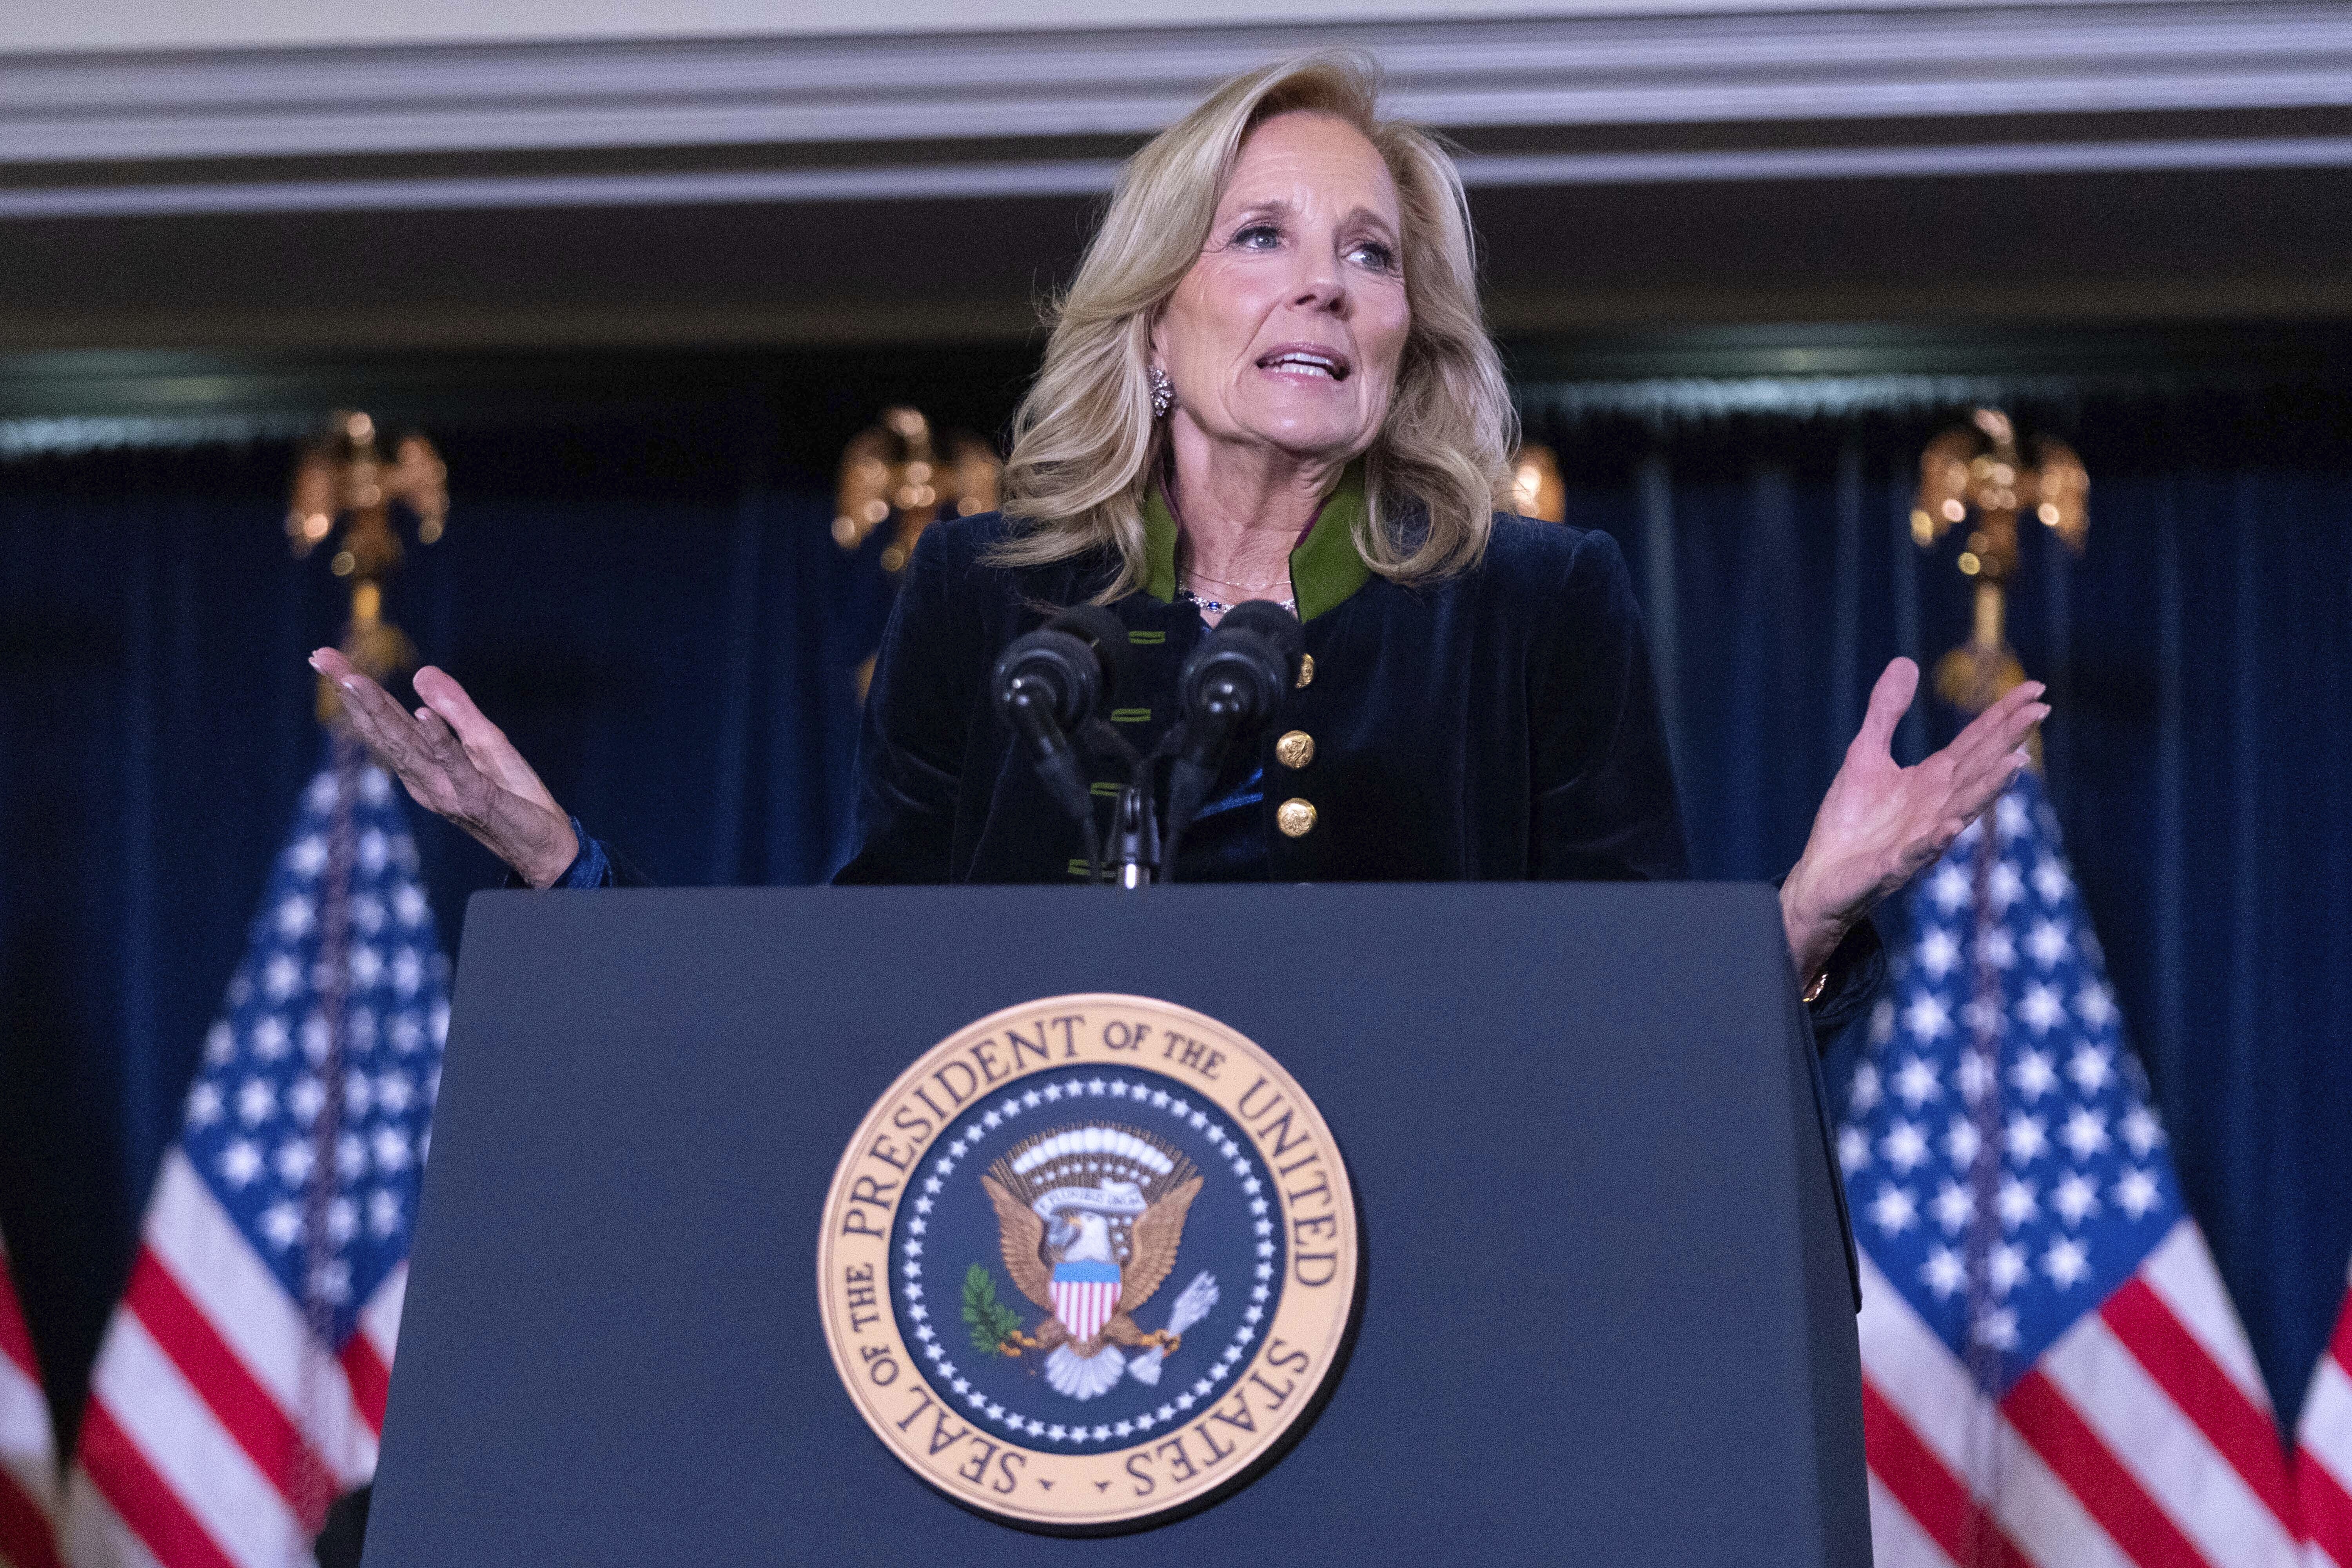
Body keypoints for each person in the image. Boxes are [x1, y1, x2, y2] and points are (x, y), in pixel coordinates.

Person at [313, 53, 2045, 1036]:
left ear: (1407, 339)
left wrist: (1809, 914)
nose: (1325, 283)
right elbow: (849, 1010)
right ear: (1153, 319)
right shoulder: (986, 597)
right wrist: (559, 866)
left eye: (1371, 256)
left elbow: (1626, 1028)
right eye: (1265, 236)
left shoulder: (1538, 604)